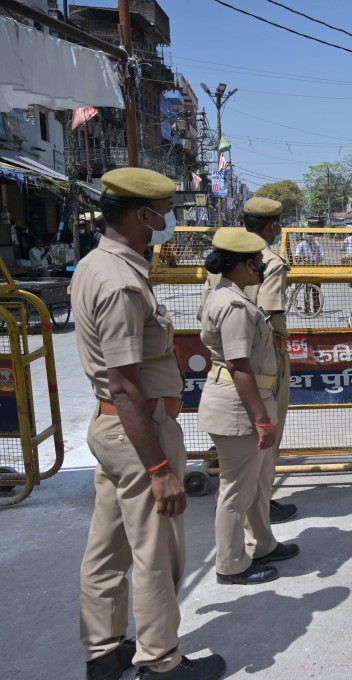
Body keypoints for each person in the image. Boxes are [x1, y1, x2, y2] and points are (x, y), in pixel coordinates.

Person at [72, 168, 225, 680]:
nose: (169, 221)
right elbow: (125, 385)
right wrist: (159, 468)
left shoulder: (96, 264)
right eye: (164, 212)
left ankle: (104, 651)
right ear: (143, 215)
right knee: (157, 552)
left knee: (107, 546)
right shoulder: (120, 284)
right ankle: (161, 662)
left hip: (114, 431)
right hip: (138, 432)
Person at [199, 228, 300, 585]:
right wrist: (261, 419)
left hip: (247, 401)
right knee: (236, 490)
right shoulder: (234, 306)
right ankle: (231, 562)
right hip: (239, 408)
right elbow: (239, 366)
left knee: (256, 483)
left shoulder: (228, 294)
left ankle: (263, 542)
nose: (261, 268)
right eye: (256, 262)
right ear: (243, 265)